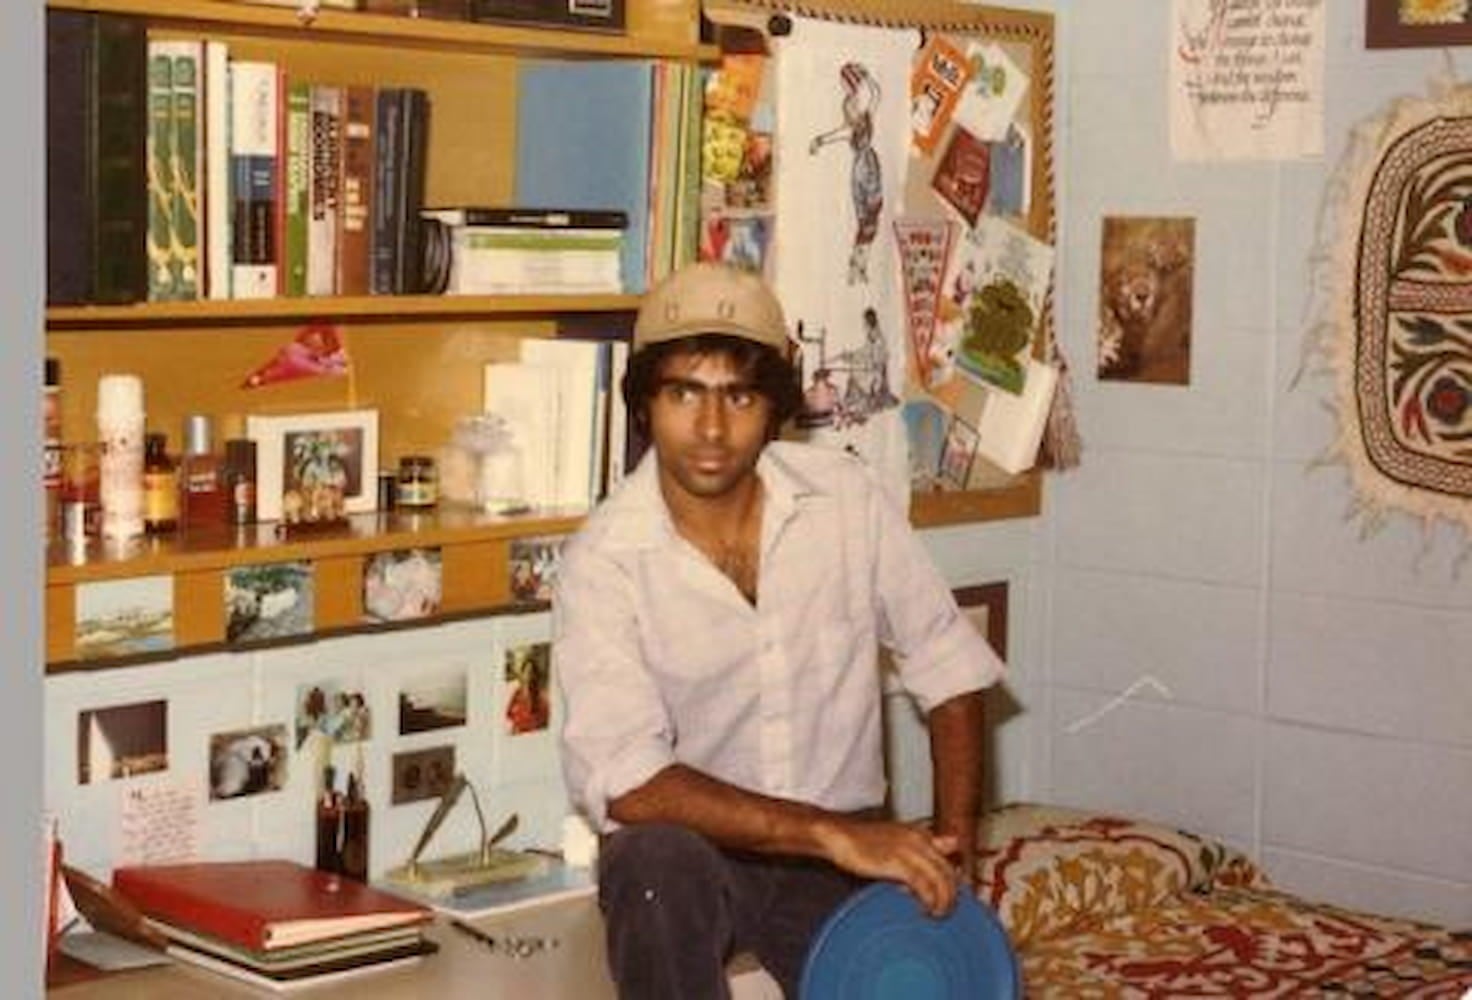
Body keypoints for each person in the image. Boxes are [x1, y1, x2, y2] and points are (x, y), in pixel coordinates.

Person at [552, 262, 1005, 999]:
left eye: (738, 394)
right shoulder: (602, 560)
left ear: (773, 407)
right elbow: (629, 782)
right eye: (682, 393)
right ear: (644, 404)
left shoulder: (846, 501)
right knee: (651, 863)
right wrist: (830, 833)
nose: (709, 427)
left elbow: (949, 668)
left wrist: (951, 855)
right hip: (699, 859)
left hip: (837, 862)